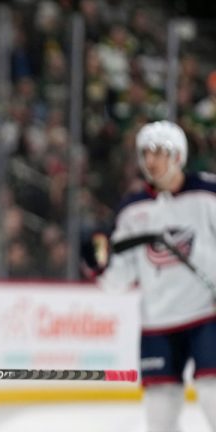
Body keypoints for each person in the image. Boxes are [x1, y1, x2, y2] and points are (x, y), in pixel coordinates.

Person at [98, 120, 216, 432]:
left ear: (178, 155)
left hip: (208, 315)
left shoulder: (208, 194)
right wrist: (99, 266)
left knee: (212, 396)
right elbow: (117, 280)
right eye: (146, 152)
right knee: (159, 416)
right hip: (158, 324)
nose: (151, 160)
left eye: (160, 152)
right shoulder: (132, 210)